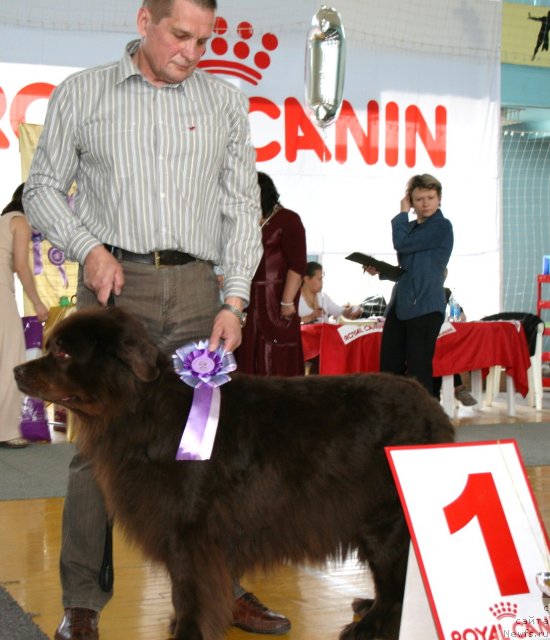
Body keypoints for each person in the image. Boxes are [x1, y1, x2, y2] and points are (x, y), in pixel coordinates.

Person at [22, 1, 290, 638]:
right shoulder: (83, 93)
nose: (192, 53)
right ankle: (82, 601)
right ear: (145, 20)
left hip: (202, 289)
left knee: (211, 450)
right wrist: (88, 248)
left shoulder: (225, 104)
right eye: (180, 35)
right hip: (117, 295)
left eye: (203, 39)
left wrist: (235, 299)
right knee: (96, 459)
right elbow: (41, 188)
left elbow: (238, 210)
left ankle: (219, 591)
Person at [366, 174, 453, 397]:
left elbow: (401, 243)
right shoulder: (410, 227)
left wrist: (402, 213)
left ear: (439, 199)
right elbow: (409, 270)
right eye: (419, 198)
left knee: (419, 369)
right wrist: (382, 271)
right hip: (401, 303)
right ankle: (393, 417)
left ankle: (425, 422)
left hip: (426, 306)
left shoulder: (442, 226)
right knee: (389, 366)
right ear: (411, 200)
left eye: (431, 197)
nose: (426, 203)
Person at [236, 172, 307, 375]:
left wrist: (287, 301)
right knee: (248, 352)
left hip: (275, 299)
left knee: (276, 354)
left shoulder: (288, 219)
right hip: (248, 300)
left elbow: (298, 265)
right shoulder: (245, 222)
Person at [0, 183, 49, 448]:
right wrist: (38, 303)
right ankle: (6, 431)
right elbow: (21, 265)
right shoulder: (20, 221)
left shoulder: (3, 220)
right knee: (11, 358)